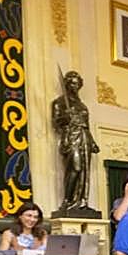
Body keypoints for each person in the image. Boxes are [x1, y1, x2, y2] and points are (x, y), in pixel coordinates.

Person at [51, 70, 99, 210]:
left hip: (84, 136)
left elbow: (87, 125)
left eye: (77, 84)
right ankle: (67, 200)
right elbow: (56, 123)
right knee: (75, 168)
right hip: (71, 136)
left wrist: (93, 141)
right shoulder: (59, 102)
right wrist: (65, 117)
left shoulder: (82, 105)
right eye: (71, 84)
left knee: (84, 170)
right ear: (66, 85)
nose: (74, 86)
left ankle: (82, 201)